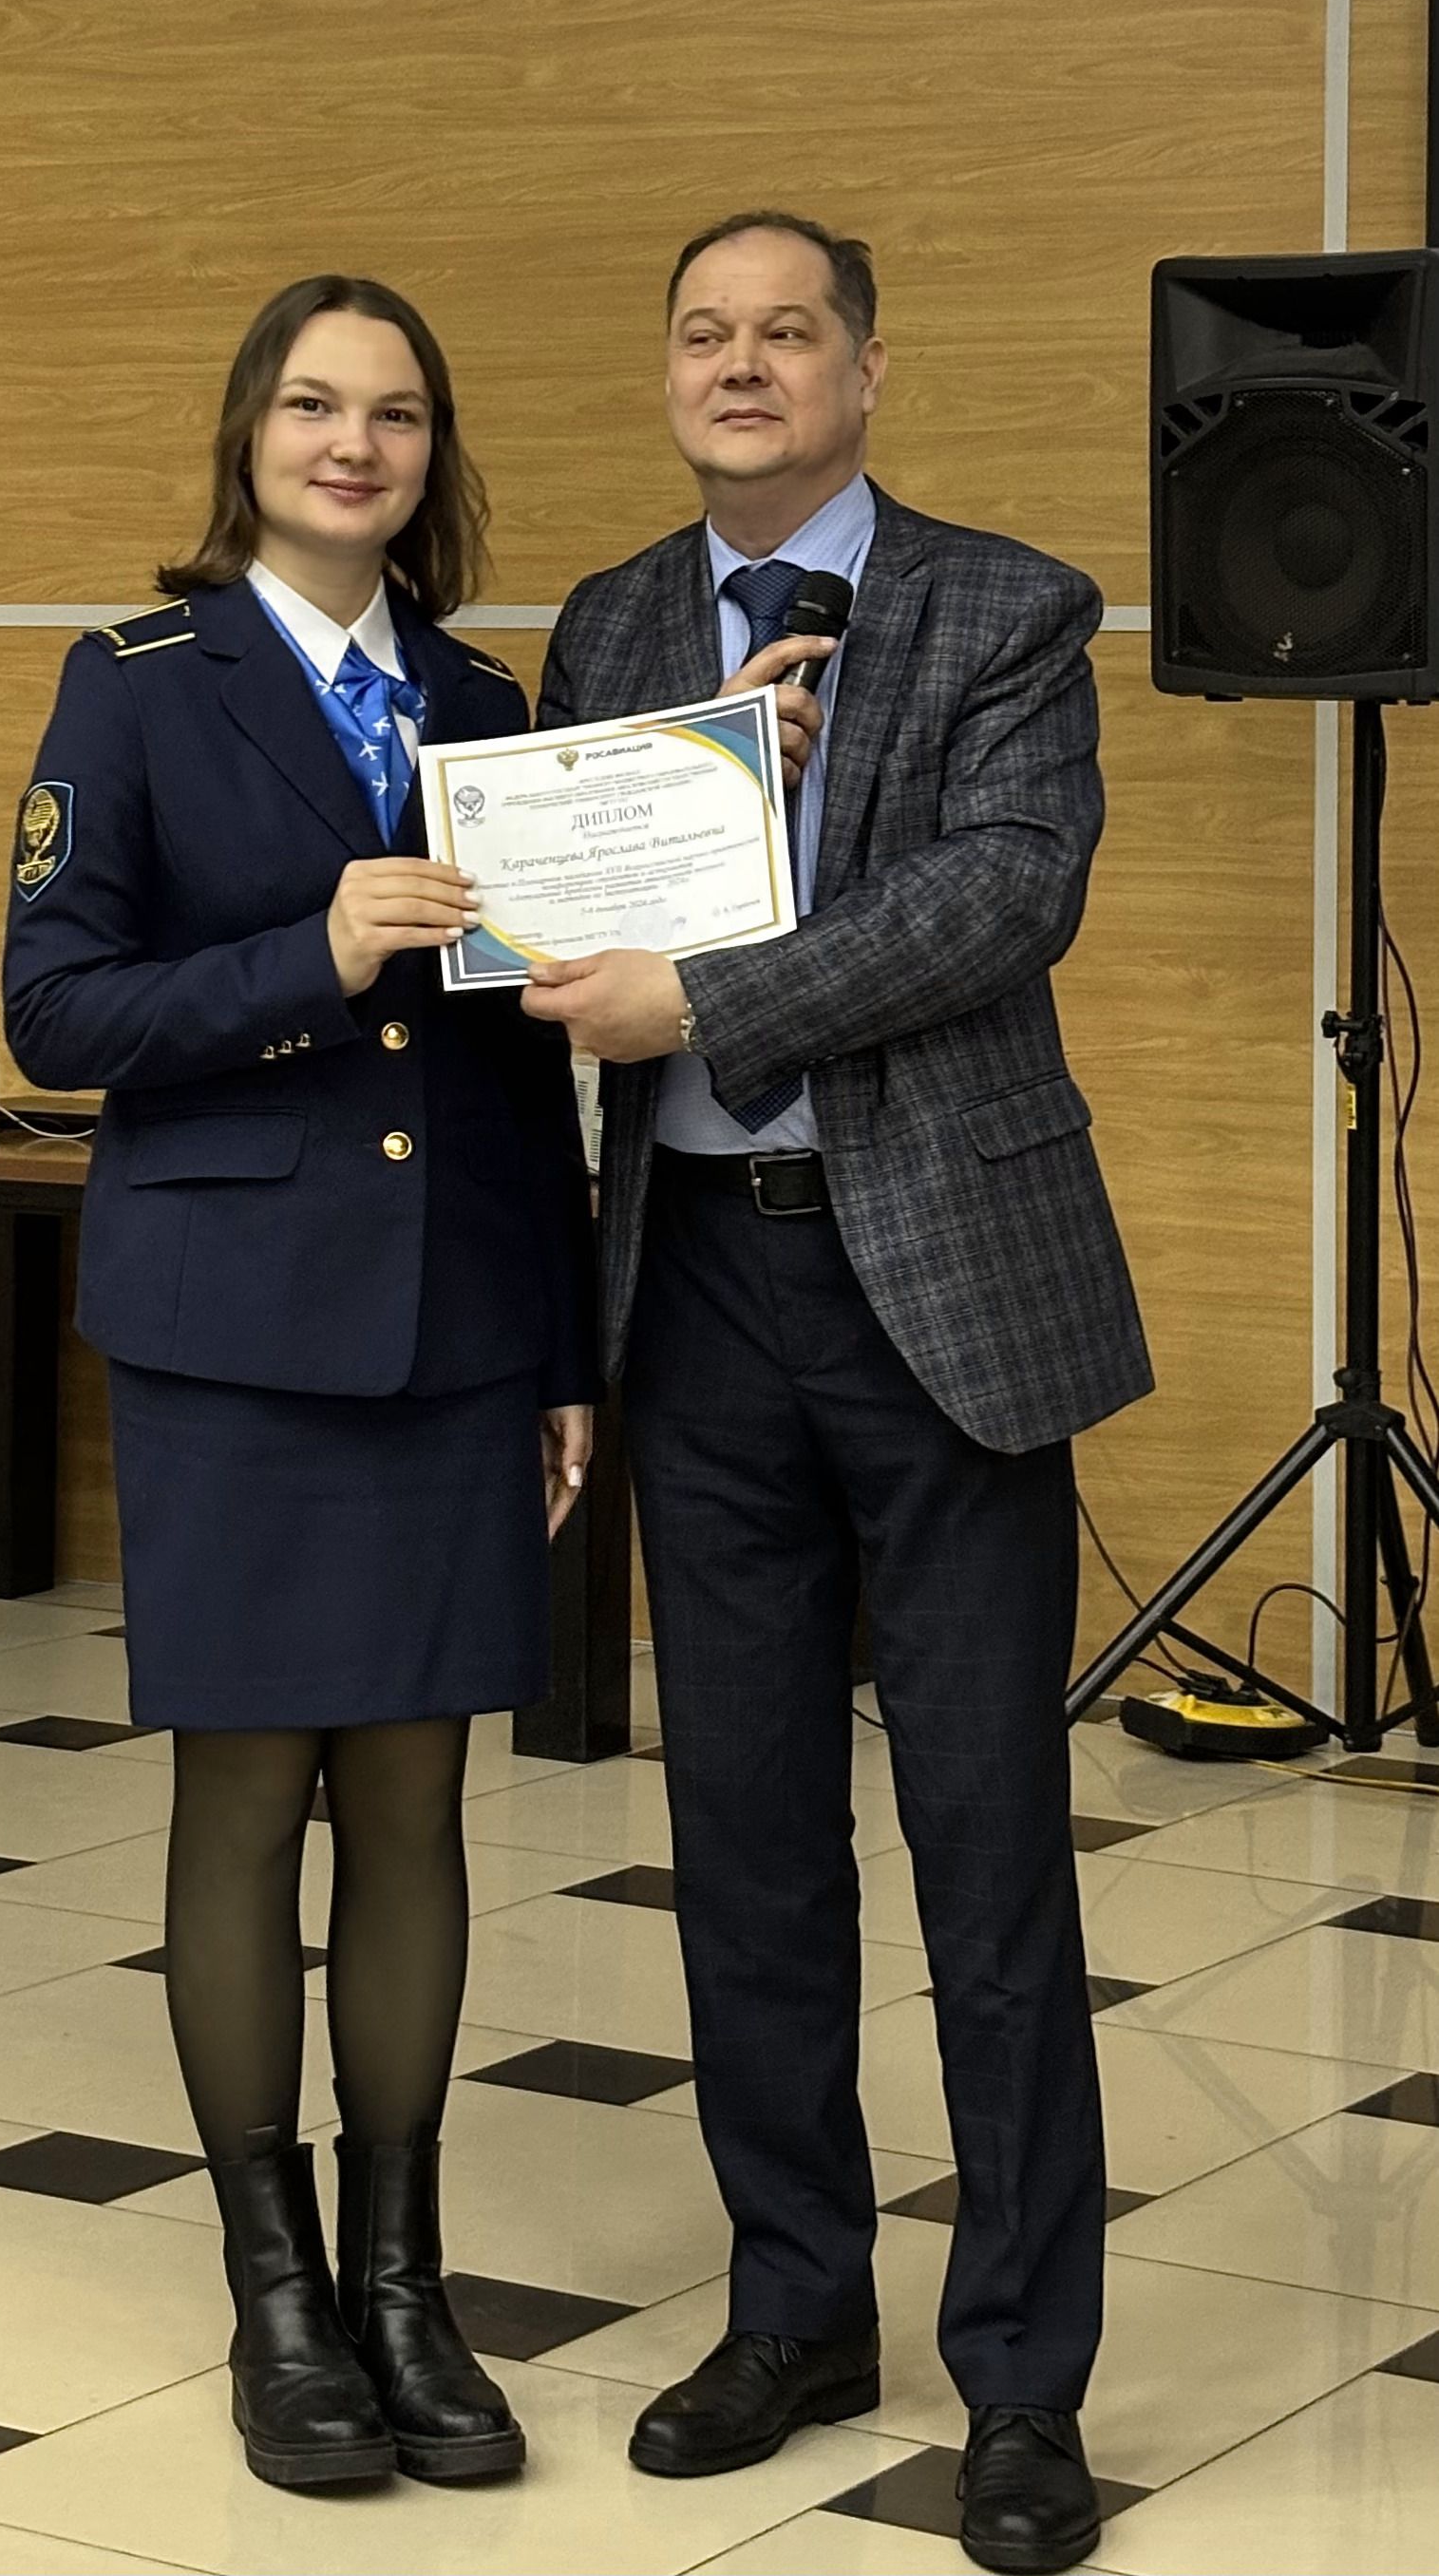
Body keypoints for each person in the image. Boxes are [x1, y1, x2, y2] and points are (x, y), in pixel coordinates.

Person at [526, 212, 1151, 2576]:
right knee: (749, 1843)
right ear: (669, 372)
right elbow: (542, 917)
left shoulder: (1008, 605)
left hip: (942, 1292)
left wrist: (712, 981)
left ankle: (1025, 2377)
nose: (743, 364)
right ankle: (796, 2302)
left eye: (789, 331)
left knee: (989, 1845)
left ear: (868, 368)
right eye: (705, 332)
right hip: (693, 1290)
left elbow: (1002, 896)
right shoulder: (609, 626)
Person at [2, 274, 597, 2496]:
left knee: (420, 1801)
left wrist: (563, 1346)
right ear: (251, 431)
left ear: (433, 455)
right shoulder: (135, 679)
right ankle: (277, 2291)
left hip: (454, 1326)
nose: (355, 444)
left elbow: (525, 1073)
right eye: (316, 404)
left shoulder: (485, 701)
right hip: (233, 1329)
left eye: (398, 412)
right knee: (248, 1800)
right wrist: (312, 955)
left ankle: (405, 2279)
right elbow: (59, 1008)